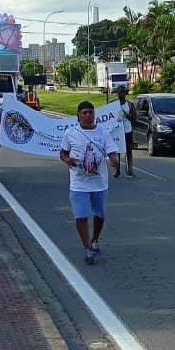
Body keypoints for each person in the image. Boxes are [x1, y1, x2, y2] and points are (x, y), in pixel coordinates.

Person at [59, 100, 120, 265]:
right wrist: (67, 160)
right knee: (81, 216)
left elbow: (112, 151)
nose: (88, 116)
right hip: (79, 184)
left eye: (90, 112)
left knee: (99, 215)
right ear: (78, 115)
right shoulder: (70, 133)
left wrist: (115, 161)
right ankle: (88, 249)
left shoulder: (103, 132)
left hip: (99, 183)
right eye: (84, 113)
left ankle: (95, 239)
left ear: (94, 114)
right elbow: (63, 153)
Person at [113, 85, 135, 178]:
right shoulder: (112, 104)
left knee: (128, 150)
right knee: (116, 151)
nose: (122, 93)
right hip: (117, 130)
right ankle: (117, 171)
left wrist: (127, 115)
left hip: (127, 130)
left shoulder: (130, 105)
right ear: (117, 93)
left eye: (123, 91)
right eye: (120, 91)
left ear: (126, 93)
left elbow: (134, 118)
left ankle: (129, 170)